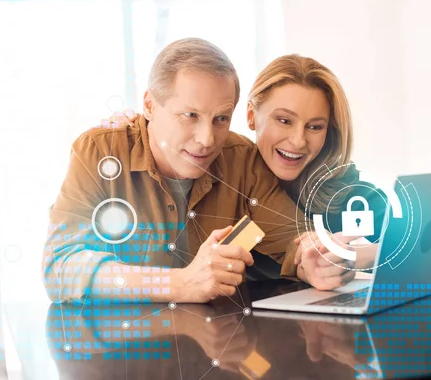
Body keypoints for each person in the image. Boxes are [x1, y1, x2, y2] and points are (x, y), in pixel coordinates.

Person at [42, 38, 336, 305]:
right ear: (149, 105)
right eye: (190, 116)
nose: (207, 139)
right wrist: (179, 283)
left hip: (215, 349)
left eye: (221, 118)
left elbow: (295, 241)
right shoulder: (98, 152)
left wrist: (318, 263)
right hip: (124, 353)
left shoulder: (243, 161)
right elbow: (61, 267)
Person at [112, 54, 384, 291]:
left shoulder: (346, 194)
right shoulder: (228, 176)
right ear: (251, 116)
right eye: (284, 120)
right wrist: (147, 128)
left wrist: (358, 256)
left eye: (315, 127)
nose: (298, 141)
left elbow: (413, 245)